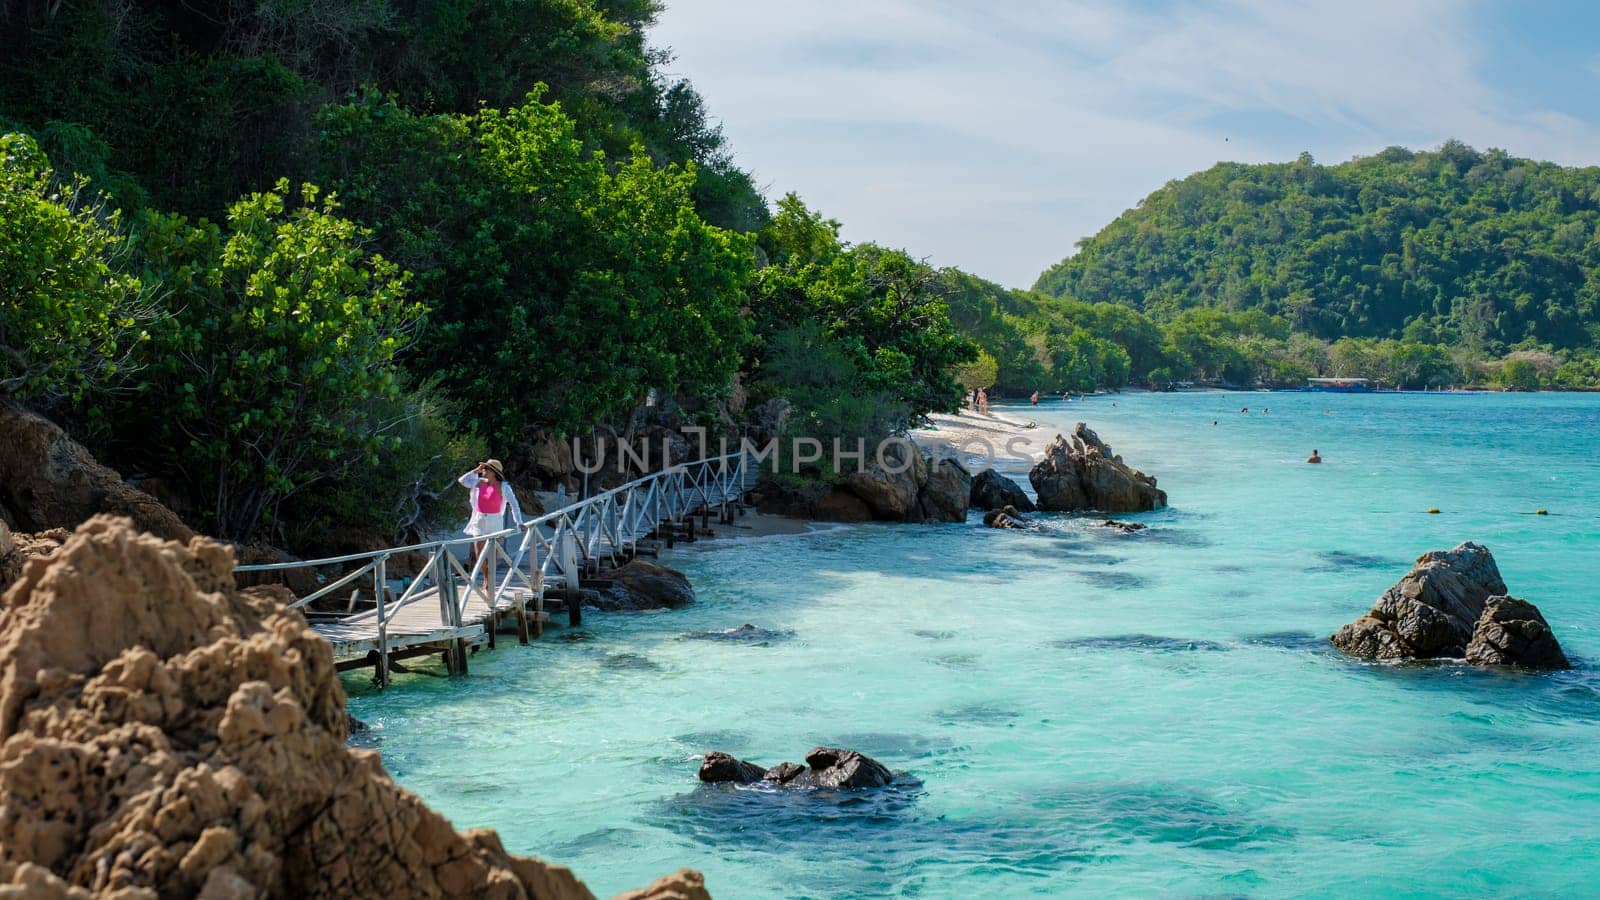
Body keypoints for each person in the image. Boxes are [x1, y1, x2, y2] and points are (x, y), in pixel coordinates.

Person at [459, 459, 527, 599]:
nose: (483, 471)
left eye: (486, 469)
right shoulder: (478, 482)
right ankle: (486, 579)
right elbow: (462, 480)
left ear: (494, 472)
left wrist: (519, 522)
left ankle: (490, 581)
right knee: (479, 556)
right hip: (479, 521)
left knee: (492, 556)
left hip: (495, 522)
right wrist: (475, 471)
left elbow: (514, 505)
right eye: (483, 469)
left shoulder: (504, 487)